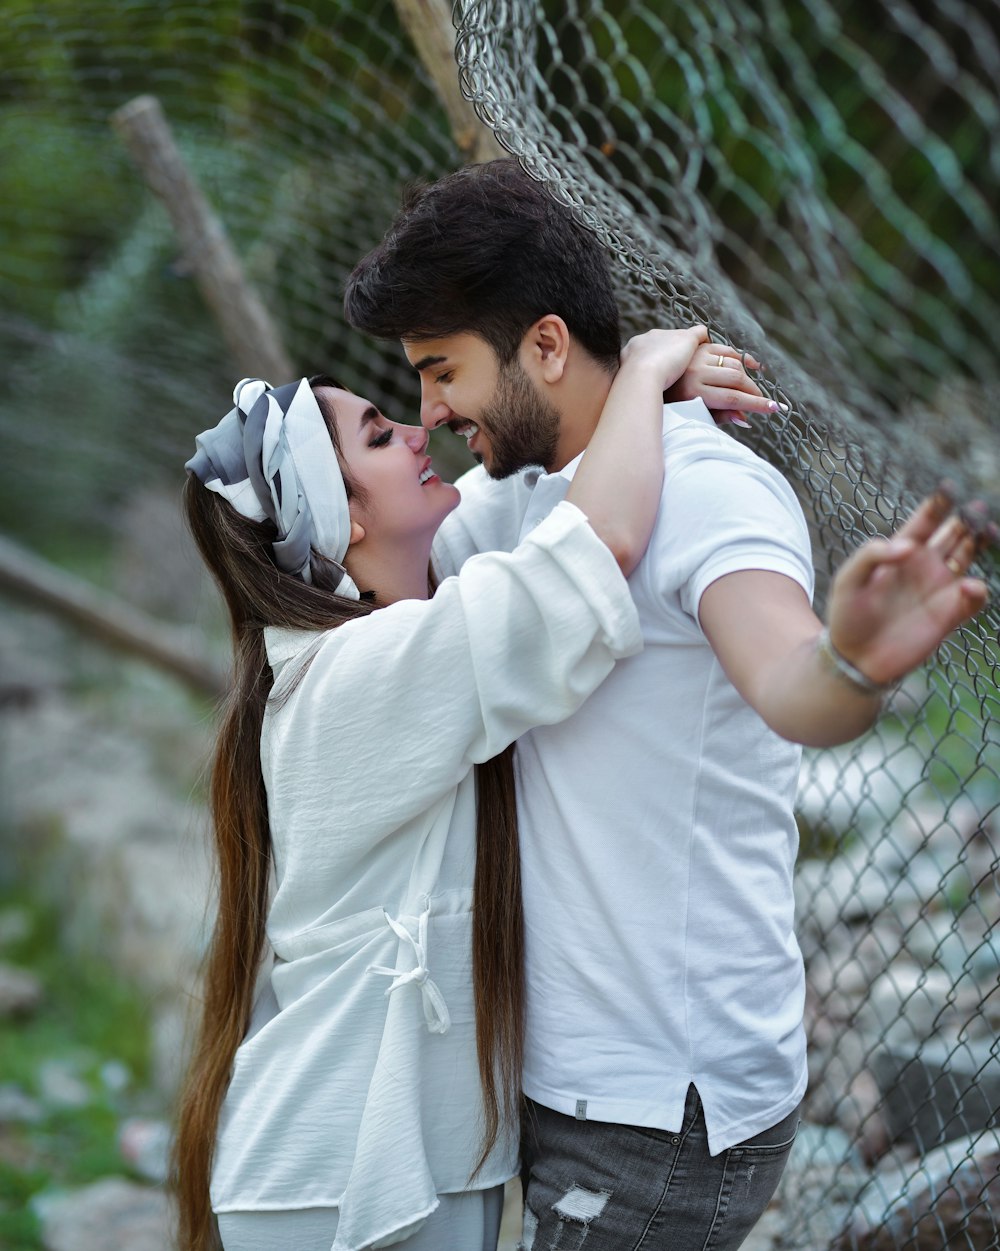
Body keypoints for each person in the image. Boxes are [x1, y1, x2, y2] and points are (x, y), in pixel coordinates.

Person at [343, 157, 995, 1251]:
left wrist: (854, 663)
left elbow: (794, 689)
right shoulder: (517, 497)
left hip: (666, 1103)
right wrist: (646, 371)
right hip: (566, 1078)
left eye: (441, 370)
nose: (430, 409)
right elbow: (368, 588)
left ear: (544, 346)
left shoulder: (710, 489)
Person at [172, 330, 709, 1251]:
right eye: (381, 436)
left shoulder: (378, 646)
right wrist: (648, 369)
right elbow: (595, 546)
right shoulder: (360, 677)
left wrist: (618, 401)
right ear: (340, 523)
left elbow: (535, 477)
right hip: (337, 1176)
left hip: (391, 1162)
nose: (420, 433)